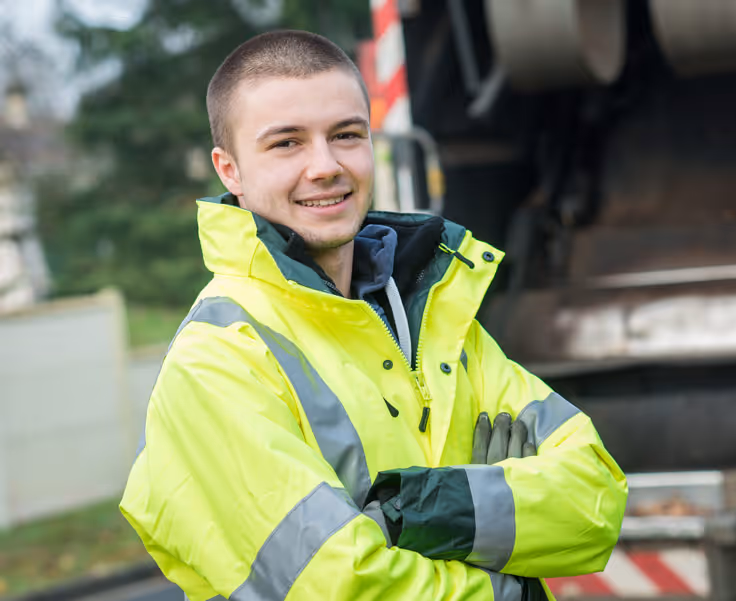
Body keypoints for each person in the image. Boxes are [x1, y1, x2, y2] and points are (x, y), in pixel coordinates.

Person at [120, 30, 627, 601]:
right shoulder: (219, 359)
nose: (326, 166)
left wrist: (429, 510)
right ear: (229, 170)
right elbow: (340, 586)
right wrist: (510, 576)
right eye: (286, 143)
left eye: (346, 135)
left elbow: (596, 500)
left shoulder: (428, 315)